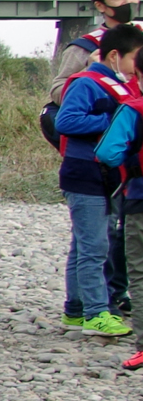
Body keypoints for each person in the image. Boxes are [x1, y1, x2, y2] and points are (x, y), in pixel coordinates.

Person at [51, 23, 143, 337]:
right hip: (85, 173)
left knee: (84, 244)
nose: (136, 68)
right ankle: (95, 313)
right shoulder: (88, 83)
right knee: (95, 247)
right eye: (135, 59)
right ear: (115, 55)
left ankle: (75, 310)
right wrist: (113, 119)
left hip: (105, 177)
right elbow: (66, 120)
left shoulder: (118, 84)